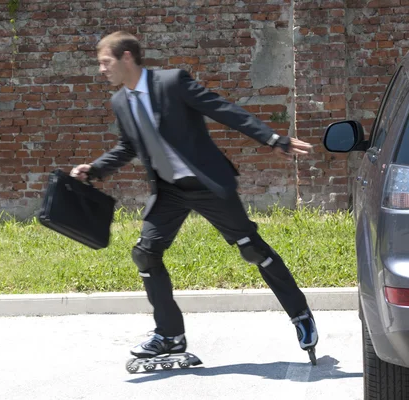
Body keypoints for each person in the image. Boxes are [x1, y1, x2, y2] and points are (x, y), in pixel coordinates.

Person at [70, 31, 318, 359]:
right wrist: (95, 169)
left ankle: (300, 314)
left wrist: (273, 138)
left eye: (106, 62)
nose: (101, 70)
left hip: (207, 184)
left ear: (126, 57)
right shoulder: (120, 101)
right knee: (146, 254)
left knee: (253, 250)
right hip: (169, 191)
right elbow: (128, 146)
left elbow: (222, 109)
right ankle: (169, 335)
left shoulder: (171, 83)